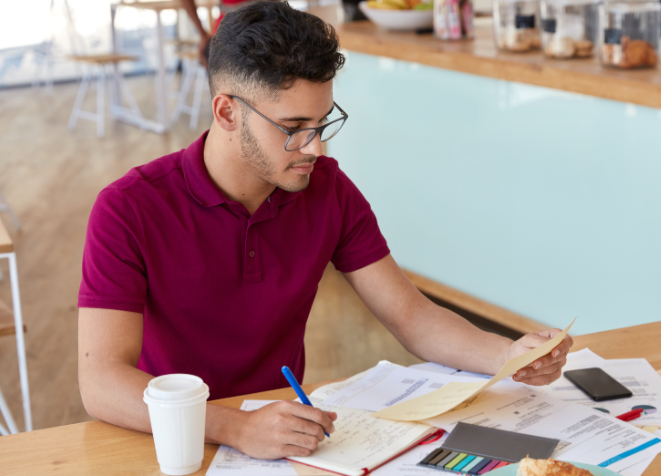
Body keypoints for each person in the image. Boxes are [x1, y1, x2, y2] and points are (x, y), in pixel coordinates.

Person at [78, 2, 573, 461]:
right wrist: (235, 427)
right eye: (295, 126)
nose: (315, 148)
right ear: (227, 112)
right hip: (167, 440)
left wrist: (506, 355)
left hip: (285, 433)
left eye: (323, 121)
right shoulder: (128, 209)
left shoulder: (327, 189)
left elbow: (411, 316)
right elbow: (101, 381)